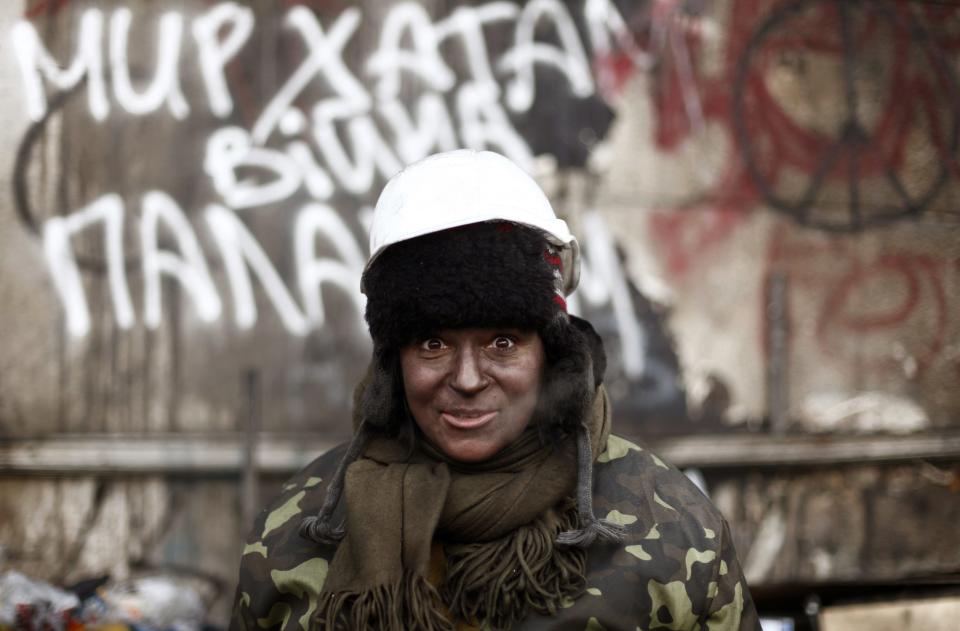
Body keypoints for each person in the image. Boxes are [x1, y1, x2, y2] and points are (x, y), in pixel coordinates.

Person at [230, 150, 761, 630]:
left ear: (550, 353)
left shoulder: (670, 528)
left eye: (502, 342)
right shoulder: (298, 530)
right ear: (395, 360)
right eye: (433, 343)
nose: (466, 379)